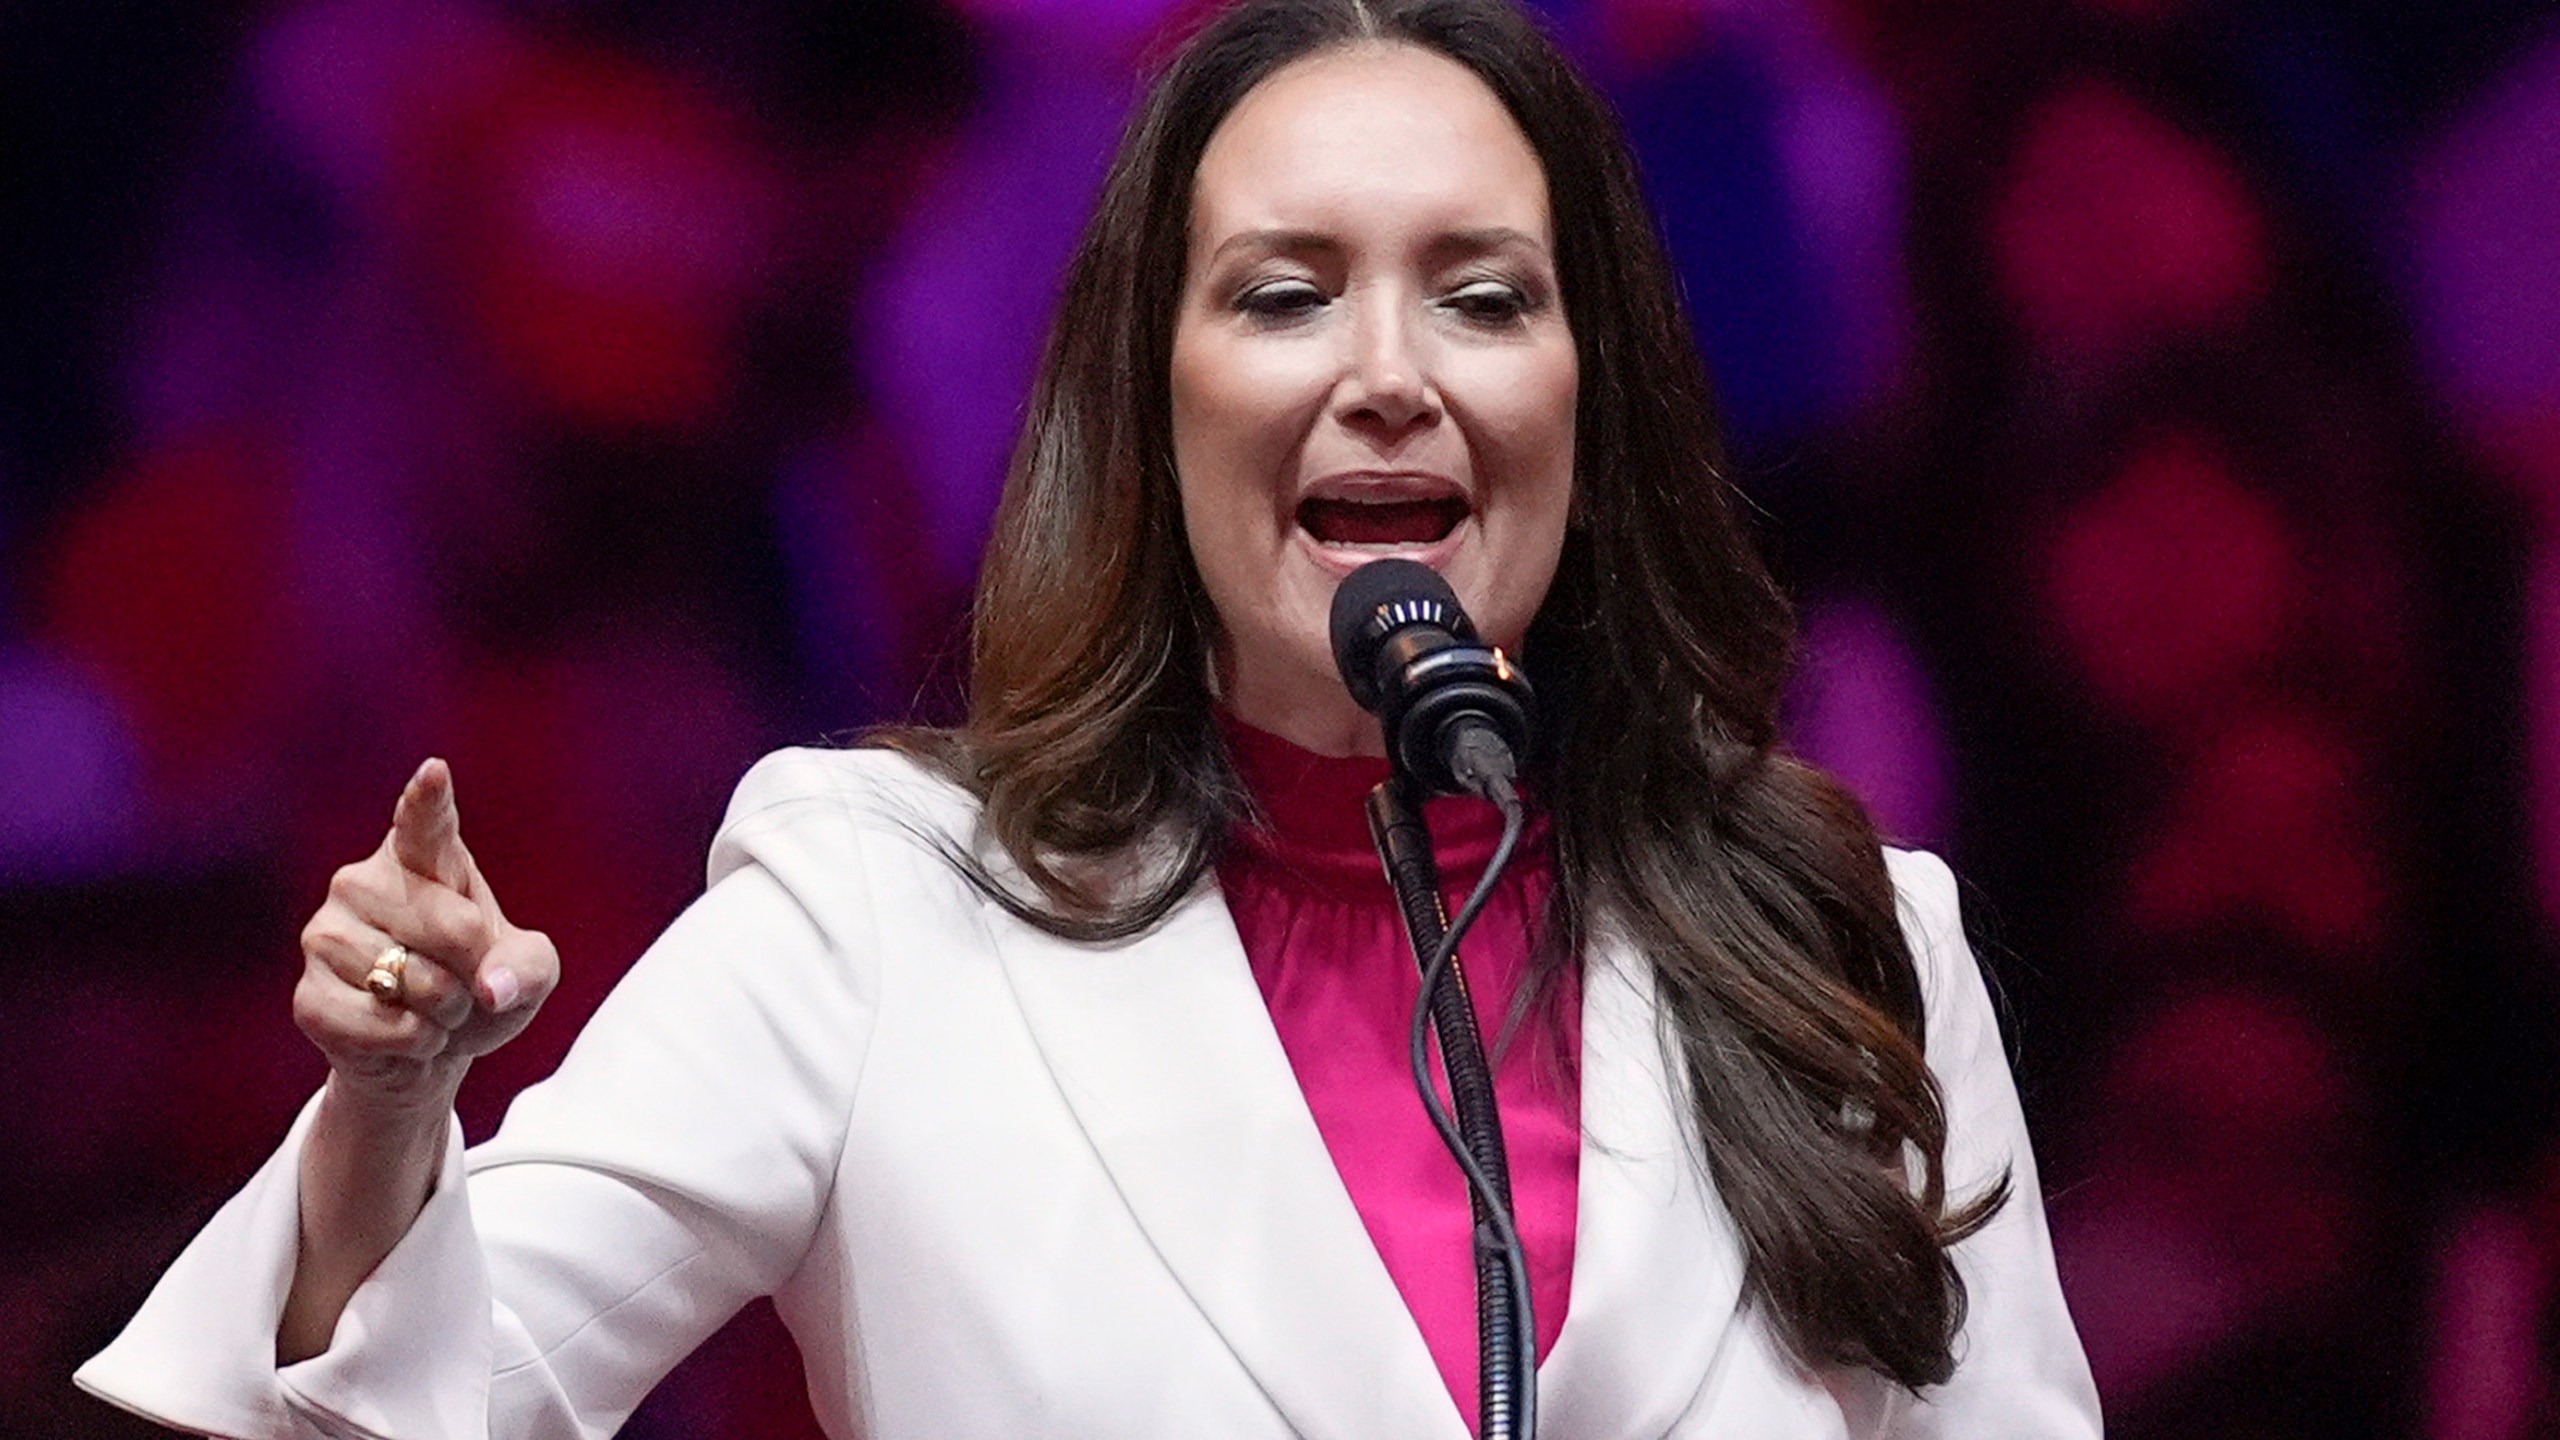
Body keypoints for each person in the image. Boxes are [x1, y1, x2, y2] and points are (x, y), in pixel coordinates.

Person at [77, 1, 2103, 1436]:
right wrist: (386, 1115)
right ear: (1144, 407)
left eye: (1482, 295)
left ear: (1596, 405)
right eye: (1283, 292)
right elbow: (385, 1406)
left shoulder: (1848, 943)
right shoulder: (874, 913)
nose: (1388, 370)